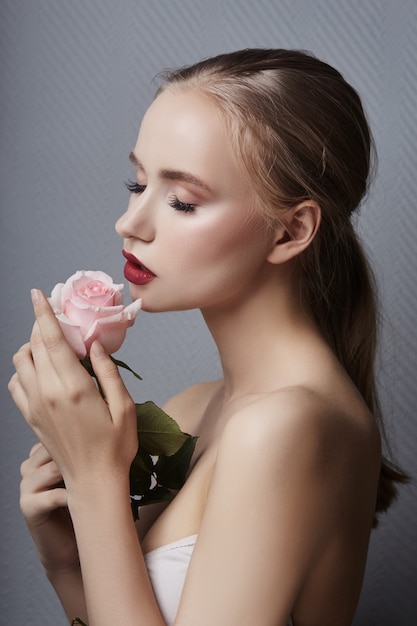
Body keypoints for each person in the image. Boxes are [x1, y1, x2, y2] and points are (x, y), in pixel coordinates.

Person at [9, 48, 407, 626]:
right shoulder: (192, 410)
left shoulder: (288, 425)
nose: (131, 223)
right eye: (137, 182)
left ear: (291, 229)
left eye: (181, 201)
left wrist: (96, 482)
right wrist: (67, 562)